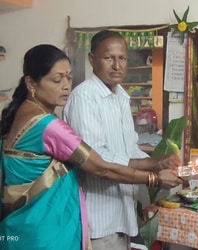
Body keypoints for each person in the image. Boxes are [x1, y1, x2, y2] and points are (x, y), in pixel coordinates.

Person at [0, 44, 182, 250]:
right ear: (31, 83)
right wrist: (155, 178)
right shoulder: (49, 127)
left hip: (20, 228)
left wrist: (155, 163)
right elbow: (101, 167)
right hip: (46, 232)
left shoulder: (20, 114)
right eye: (57, 79)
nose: (66, 86)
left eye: (68, 77)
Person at [63, 30, 179, 249]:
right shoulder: (84, 98)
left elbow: (128, 151)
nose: (116, 65)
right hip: (98, 219)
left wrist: (157, 162)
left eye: (122, 58)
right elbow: (99, 162)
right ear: (92, 59)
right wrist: (153, 177)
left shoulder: (121, 98)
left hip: (121, 214)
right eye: (109, 58)